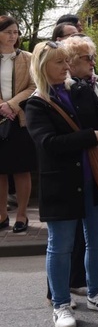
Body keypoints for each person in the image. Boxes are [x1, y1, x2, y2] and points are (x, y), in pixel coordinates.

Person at [25, 40, 98, 327]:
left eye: (67, 61)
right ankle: (60, 304)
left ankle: (96, 293)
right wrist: (91, 136)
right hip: (62, 184)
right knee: (61, 246)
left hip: (94, 179)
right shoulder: (36, 102)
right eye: (59, 62)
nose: (66, 67)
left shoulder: (79, 89)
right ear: (43, 66)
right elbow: (49, 144)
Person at [0, 16, 35, 233]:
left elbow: (34, 86)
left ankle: (22, 215)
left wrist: (11, 104)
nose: (13, 36)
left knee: (21, 169)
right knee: (0, 171)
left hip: (20, 120)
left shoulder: (28, 58)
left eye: (16, 32)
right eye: (8, 32)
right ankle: (2, 214)